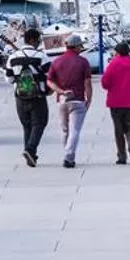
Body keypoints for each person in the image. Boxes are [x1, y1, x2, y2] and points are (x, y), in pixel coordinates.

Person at [3, 26, 51, 167]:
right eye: (38, 40)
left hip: (20, 96)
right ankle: (30, 149)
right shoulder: (41, 56)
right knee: (40, 123)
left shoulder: (13, 57)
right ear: (32, 40)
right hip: (38, 96)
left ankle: (31, 156)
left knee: (27, 125)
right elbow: (49, 76)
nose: (39, 43)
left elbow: (9, 79)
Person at [47, 33, 94, 168]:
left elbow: (49, 81)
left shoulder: (56, 61)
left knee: (65, 130)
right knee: (75, 130)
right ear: (77, 47)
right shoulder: (83, 62)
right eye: (80, 46)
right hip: (78, 100)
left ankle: (68, 153)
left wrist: (60, 91)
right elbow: (88, 83)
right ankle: (69, 156)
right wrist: (88, 99)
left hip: (62, 100)